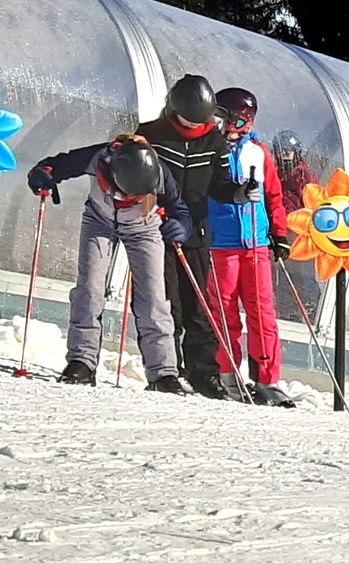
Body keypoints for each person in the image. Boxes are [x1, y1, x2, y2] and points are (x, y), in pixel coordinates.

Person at [26, 135, 192, 392]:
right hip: (99, 221)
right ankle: (82, 361)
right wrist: (42, 174)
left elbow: (179, 208)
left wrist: (180, 227)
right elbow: (57, 165)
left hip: (144, 229)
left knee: (154, 297)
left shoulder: (160, 174)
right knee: (90, 289)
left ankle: (163, 373)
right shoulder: (98, 157)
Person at [136, 74, 235, 397]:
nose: (194, 128)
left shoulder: (214, 142)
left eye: (200, 122)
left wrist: (237, 192)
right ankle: (167, 368)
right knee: (166, 302)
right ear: (173, 110)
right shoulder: (151, 134)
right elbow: (137, 175)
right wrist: (153, 209)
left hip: (195, 230)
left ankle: (203, 372)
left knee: (199, 304)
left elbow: (219, 184)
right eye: (188, 121)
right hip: (158, 229)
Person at [205, 87, 293, 407]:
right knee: (225, 311)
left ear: (241, 120)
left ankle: (268, 379)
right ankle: (229, 373)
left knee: (262, 311)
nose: (217, 122)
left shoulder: (258, 152)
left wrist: (279, 233)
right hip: (222, 243)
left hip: (254, 242)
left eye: (222, 116)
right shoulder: (210, 149)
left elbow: (274, 196)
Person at [270, 129, 320, 314]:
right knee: (284, 273)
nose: (285, 157)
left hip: (302, 233)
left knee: (305, 273)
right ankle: (287, 306)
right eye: (281, 152)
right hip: (282, 231)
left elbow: (314, 201)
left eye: (288, 152)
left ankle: (309, 306)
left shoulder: (303, 176)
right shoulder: (274, 174)